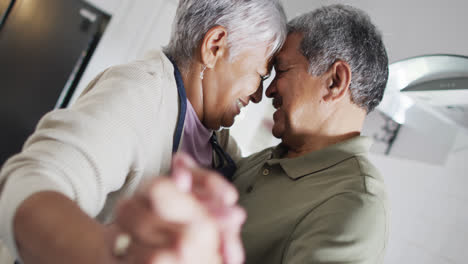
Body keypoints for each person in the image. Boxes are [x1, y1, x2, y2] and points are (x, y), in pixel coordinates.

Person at [0, 0, 287, 263]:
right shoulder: (138, 92)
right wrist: (106, 253)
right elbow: (29, 179)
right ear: (215, 47)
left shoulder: (215, 138)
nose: (258, 95)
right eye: (260, 75)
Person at [233, 4, 389, 264]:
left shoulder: (355, 205)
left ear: (335, 82)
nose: (268, 91)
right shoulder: (272, 160)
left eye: (281, 71)